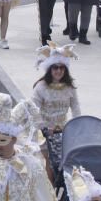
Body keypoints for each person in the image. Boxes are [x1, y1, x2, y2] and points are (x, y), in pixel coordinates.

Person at [32, 43, 81, 177]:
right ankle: (50, 193)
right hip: (45, 133)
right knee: (50, 162)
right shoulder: (40, 87)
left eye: (61, 68)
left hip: (63, 132)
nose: (58, 71)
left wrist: (76, 124)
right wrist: (44, 128)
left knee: (66, 163)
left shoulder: (69, 87)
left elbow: (75, 106)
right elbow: (33, 110)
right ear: (50, 69)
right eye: (55, 68)